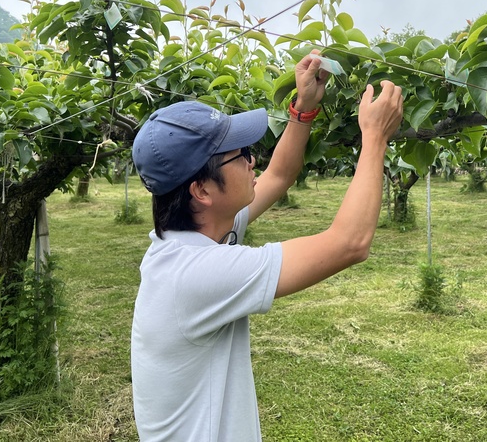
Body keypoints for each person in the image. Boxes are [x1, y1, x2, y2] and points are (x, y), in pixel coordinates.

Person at [130, 50, 403, 441]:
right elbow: (350, 243)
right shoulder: (194, 275)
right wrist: (374, 138)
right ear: (202, 189)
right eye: (239, 155)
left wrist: (303, 109)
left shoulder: (187, 238)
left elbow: (280, 174)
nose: (252, 160)